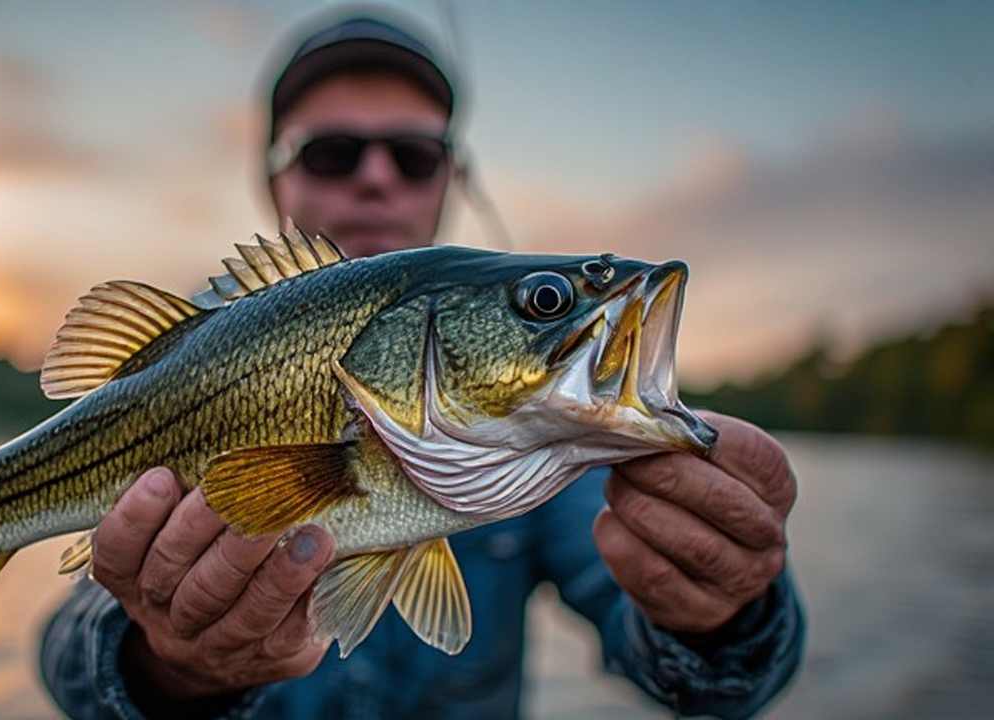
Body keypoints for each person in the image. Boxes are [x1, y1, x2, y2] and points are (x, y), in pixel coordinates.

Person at [41, 10, 804, 719]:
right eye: (332, 153)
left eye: (414, 155)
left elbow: (701, 682)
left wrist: (725, 614)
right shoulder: (188, 362)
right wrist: (169, 672)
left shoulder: (554, 442)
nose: (376, 177)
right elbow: (67, 651)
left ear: (451, 179)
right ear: (275, 180)